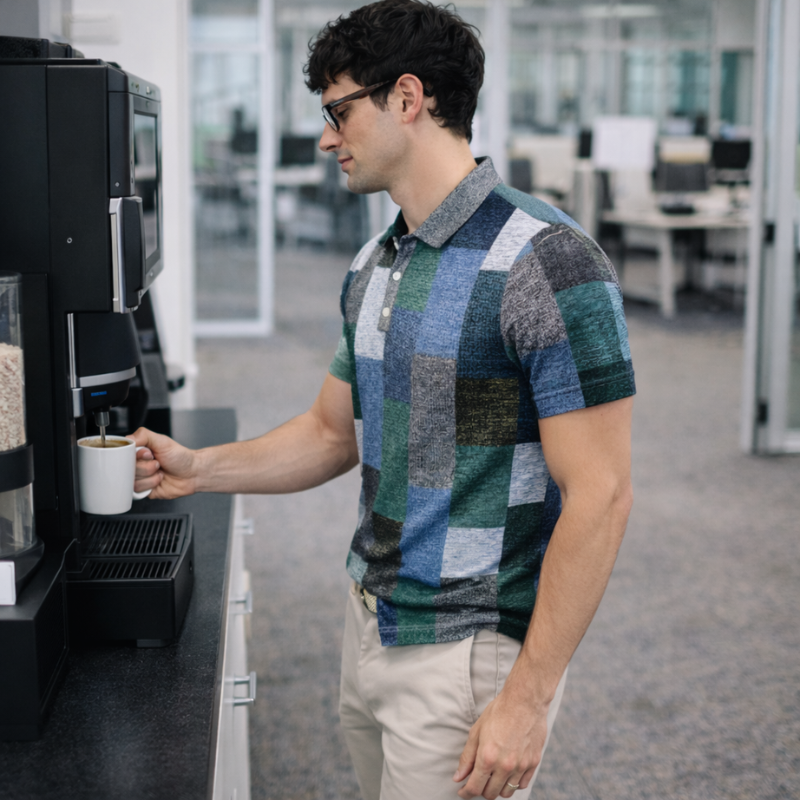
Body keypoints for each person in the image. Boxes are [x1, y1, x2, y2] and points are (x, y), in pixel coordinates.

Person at [133, 2, 635, 799]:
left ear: (407, 99)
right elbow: (332, 433)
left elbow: (600, 495)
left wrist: (527, 699)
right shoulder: (378, 260)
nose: (327, 137)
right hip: (372, 622)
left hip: (467, 650)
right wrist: (197, 470)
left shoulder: (548, 261)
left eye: (338, 111)